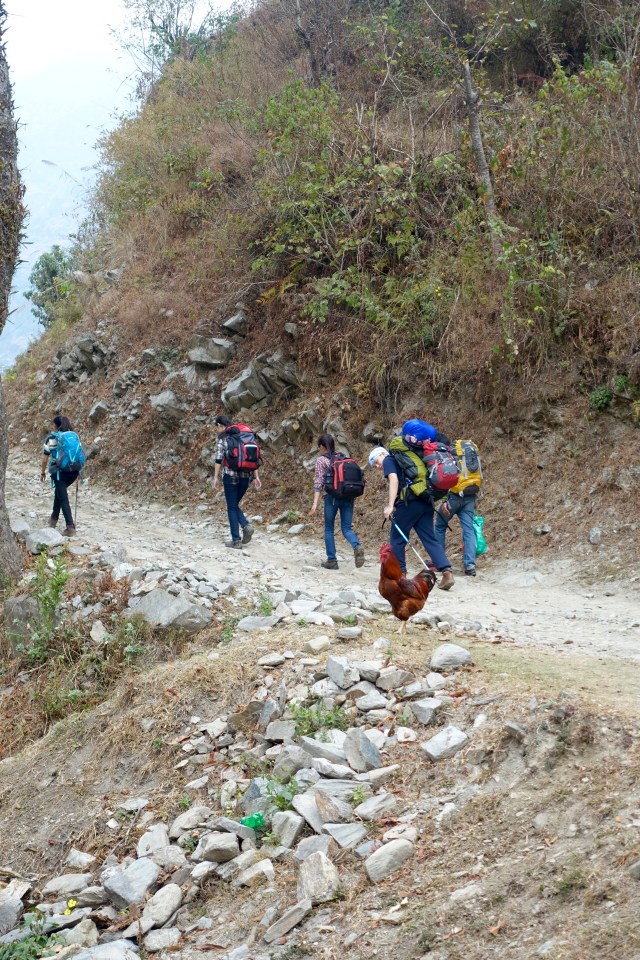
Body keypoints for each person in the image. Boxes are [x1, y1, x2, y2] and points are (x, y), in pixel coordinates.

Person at [369, 445, 454, 590]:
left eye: (376, 461)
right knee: (429, 538)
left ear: (383, 453)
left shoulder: (389, 459)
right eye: (374, 465)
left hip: (409, 503)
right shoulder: (403, 461)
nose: (377, 466)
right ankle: (447, 573)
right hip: (425, 500)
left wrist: (390, 506)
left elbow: (394, 479)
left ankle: (400, 575)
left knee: (397, 539)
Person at [310, 434, 365, 571]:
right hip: (348, 496)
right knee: (346, 528)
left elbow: (318, 482)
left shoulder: (322, 460)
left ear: (322, 446)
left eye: (319, 447)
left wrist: (315, 504)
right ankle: (357, 546)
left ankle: (332, 561)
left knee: (329, 529)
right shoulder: (343, 456)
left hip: (332, 498)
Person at [212, 415, 262, 549]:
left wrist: (215, 477)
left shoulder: (224, 437)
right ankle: (245, 526)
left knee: (231, 506)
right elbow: (253, 458)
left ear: (219, 425)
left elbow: (218, 459)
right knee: (234, 505)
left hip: (230, 476)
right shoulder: (245, 436)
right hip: (246, 476)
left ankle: (237, 539)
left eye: (216, 427)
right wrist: (256, 476)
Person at [40, 414, 80, 537]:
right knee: (60, 491)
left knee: (63, 498)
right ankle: (53, 519)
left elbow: (45, 458)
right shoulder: (73, 436)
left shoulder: (52, 438)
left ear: (56, 425)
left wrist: (42, 472)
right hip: (73, 472)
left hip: (60, 472)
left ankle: (70, 526)